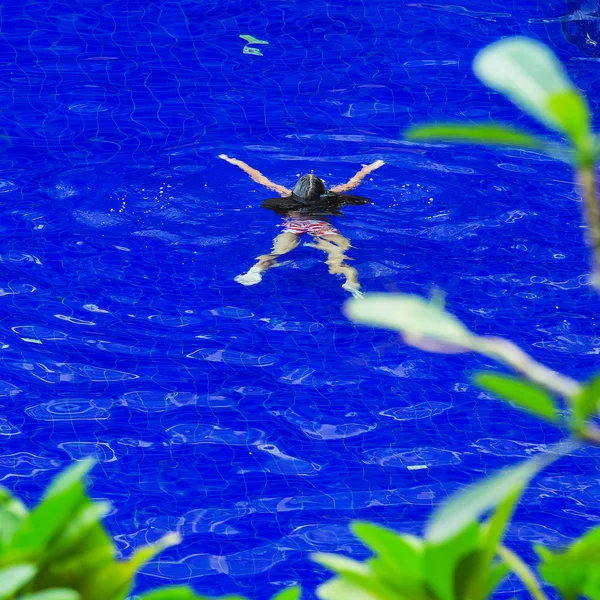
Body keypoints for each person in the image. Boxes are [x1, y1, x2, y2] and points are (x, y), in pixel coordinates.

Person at [219, 154, 384, 297]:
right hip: (322, 226)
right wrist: (368, 168)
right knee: (338, 257)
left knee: (276, 253)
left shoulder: (285, 195)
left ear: (297, 190)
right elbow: (354, 181)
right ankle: (350, 280)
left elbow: (261, 179)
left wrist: (237, 162)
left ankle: (255, 270)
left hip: (294, 225)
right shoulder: (334, 196)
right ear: (323, 190)